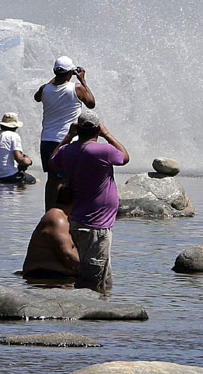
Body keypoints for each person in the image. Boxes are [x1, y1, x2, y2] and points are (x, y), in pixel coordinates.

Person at [50, 110, 128, 291]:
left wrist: (68, 136)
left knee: (102, 274)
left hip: (78, 221)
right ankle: (88, 314)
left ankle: (104, 307)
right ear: (97, 130)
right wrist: (107, 134)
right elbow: (124, 157)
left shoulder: (67, 150)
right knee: (92, 276)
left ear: (78, 129)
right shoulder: (103, 150)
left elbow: (52, 162)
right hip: (97, 225)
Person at [35, 56, 96, 210]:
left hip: (47, 140)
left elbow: (37, 97)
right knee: (67, 179)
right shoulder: (77, 88)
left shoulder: (44, 89)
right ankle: (64, 214)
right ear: (71, 73)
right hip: (67, 140)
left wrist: (55, 79)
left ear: (54, 72)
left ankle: (49, 212)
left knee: (52, 179)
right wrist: (82, 80)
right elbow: (91, 103)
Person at [21, 184, 80, 278]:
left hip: (56, 277)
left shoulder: (65, 218)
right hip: (45, 277)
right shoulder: (57, 219)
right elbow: (68, 258)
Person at [0, 112, 36, 185]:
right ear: (15, 127)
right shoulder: (13, 136)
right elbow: (19, 159)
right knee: (35, 181)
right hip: (7, 176)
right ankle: (18, 194)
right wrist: (29, 161)